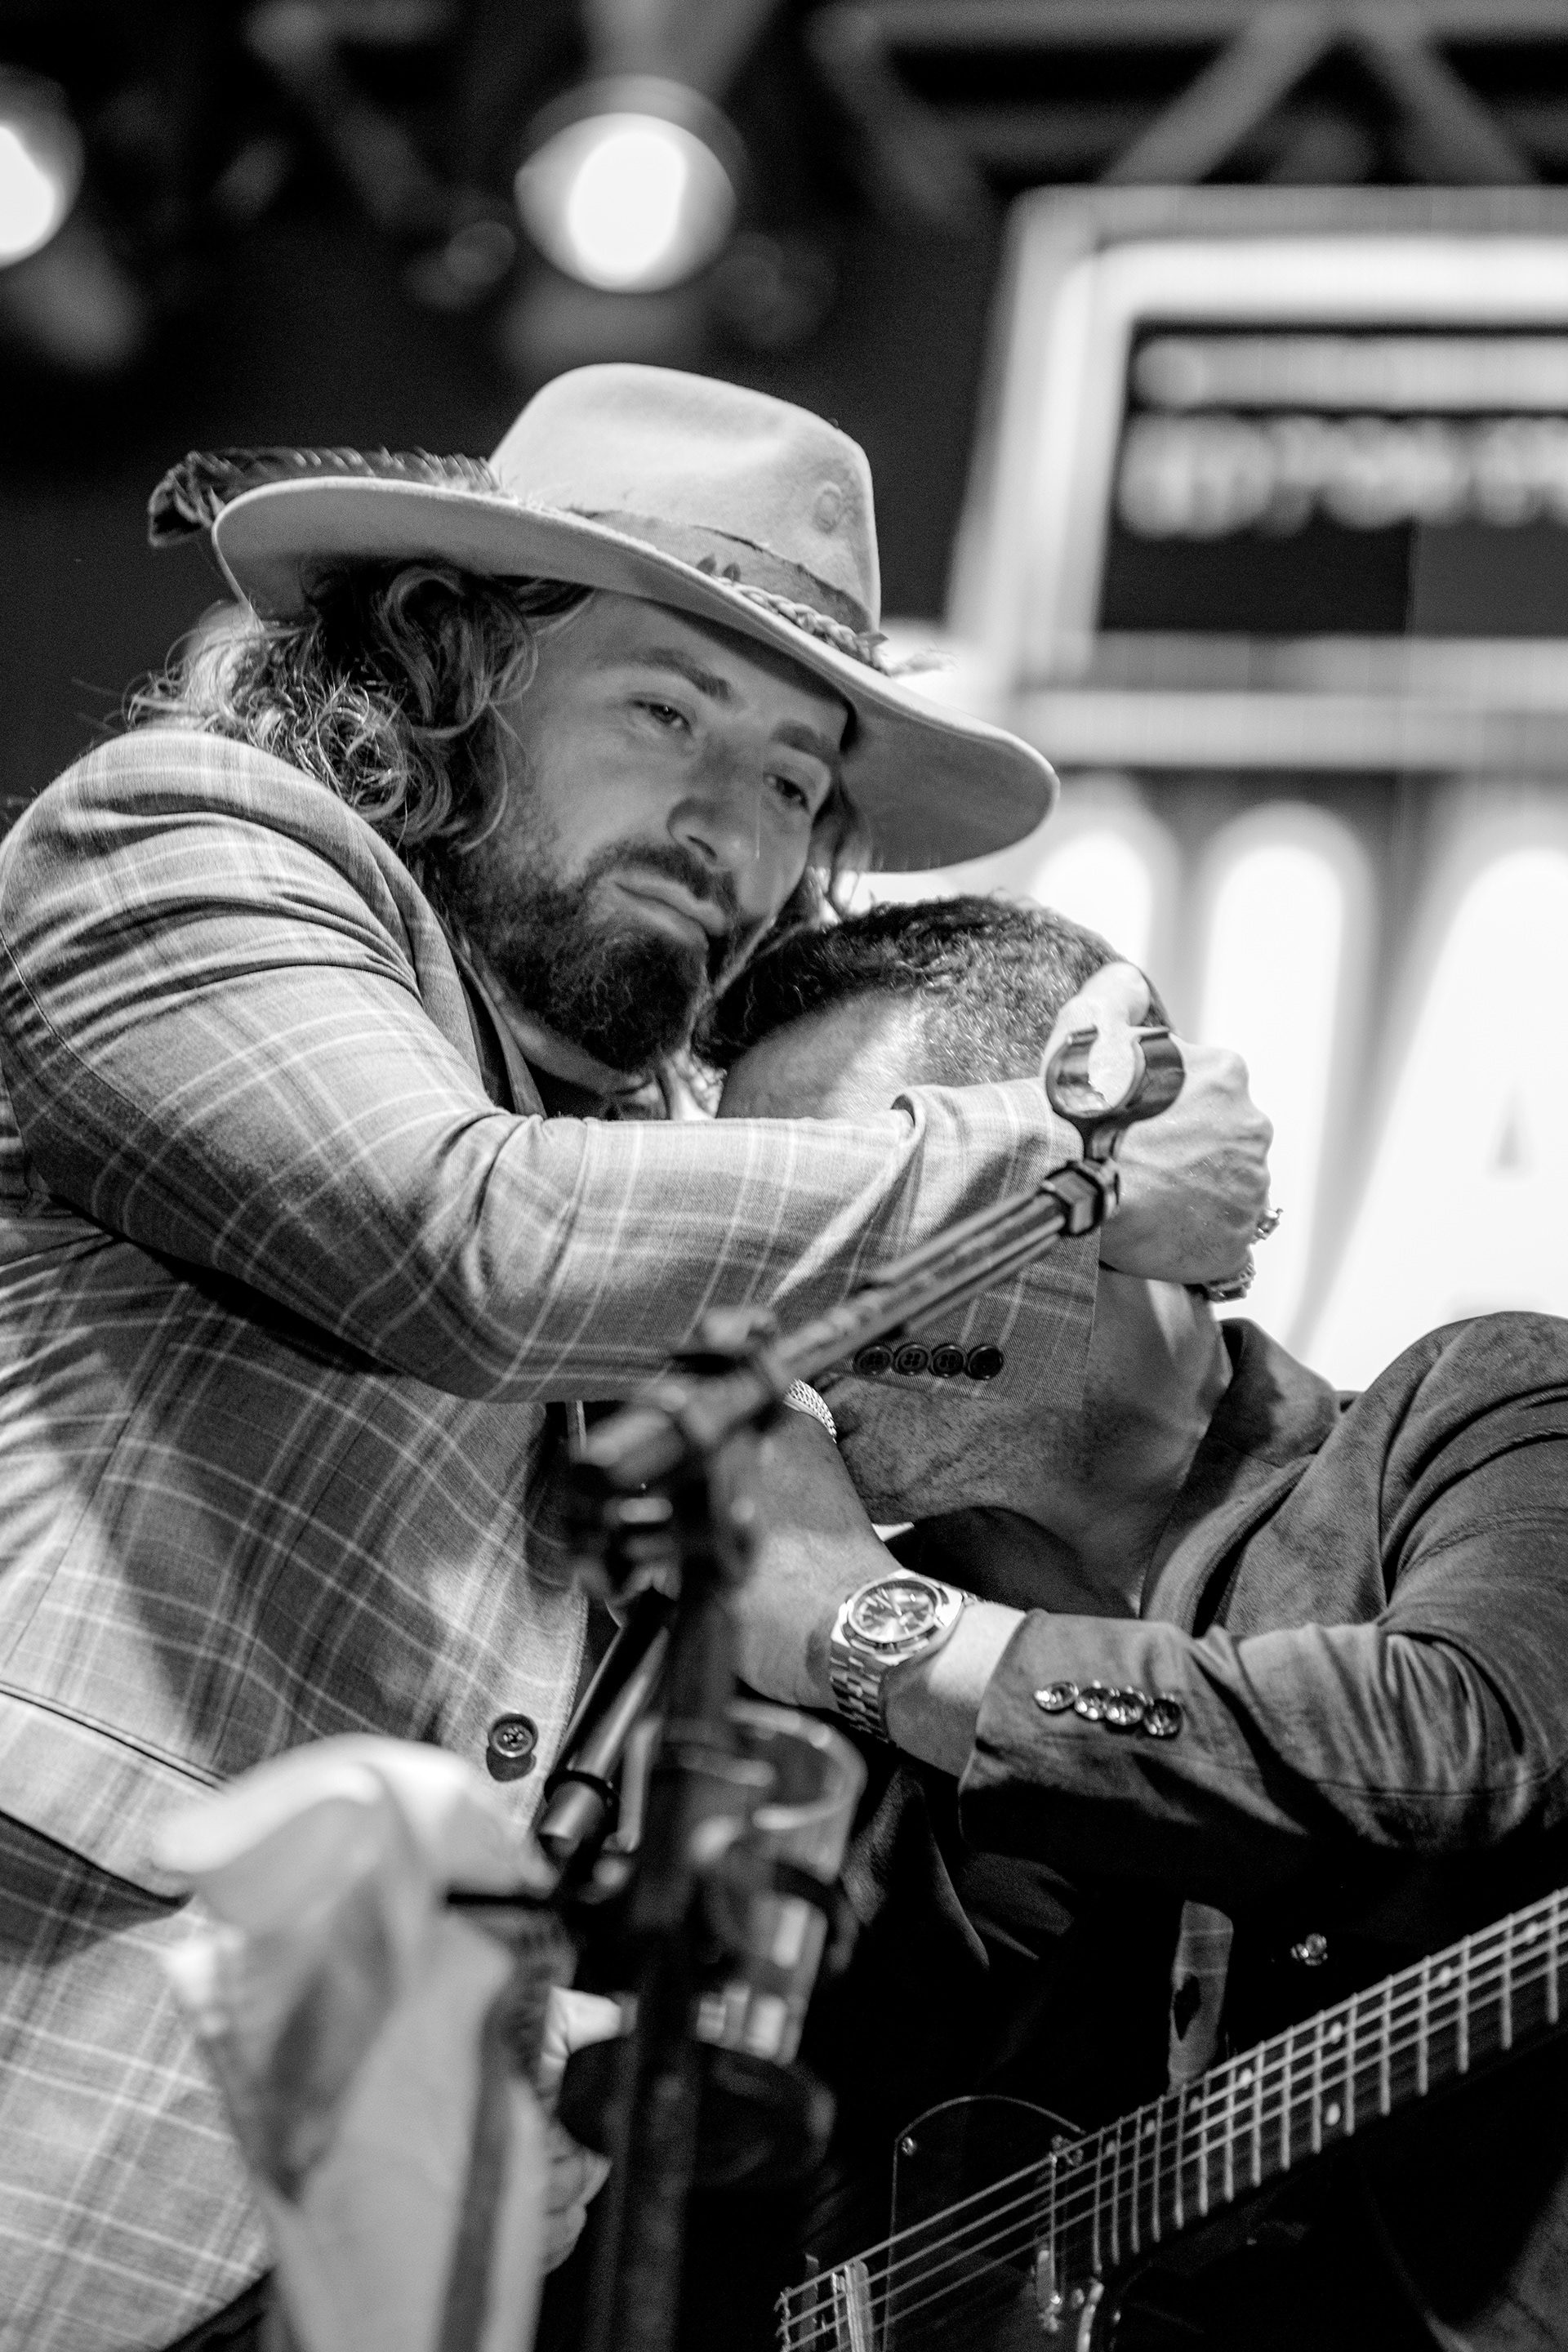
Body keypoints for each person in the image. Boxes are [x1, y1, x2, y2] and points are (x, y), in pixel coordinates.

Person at [0, 369, 1269, 2352]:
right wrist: (1072, 1164)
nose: (733, 827)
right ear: (444, 670)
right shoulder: (183, 847)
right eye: (668, 714)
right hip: (61, 2035)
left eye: (796, 781)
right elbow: (459, 1240)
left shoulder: (688, 1166)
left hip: (366, 2233)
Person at [700, 893, 1568, 2348]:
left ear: (1105, 1182)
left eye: (858, 1209)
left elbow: (1453, 1750)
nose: (774, 1300)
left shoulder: (1479, 1412)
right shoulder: (799, 1696)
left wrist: (875, 1630)